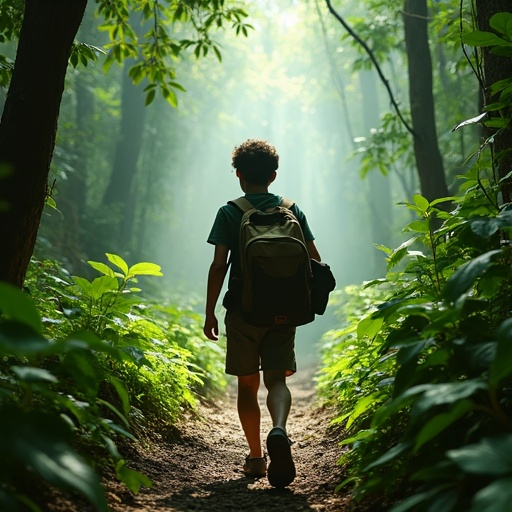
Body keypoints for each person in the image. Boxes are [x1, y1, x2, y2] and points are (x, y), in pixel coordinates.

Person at [203, 139, 321, 488]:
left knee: (247, 385)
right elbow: (314, 261)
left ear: (239, 174)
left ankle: (256, 458)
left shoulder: (229, 211)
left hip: (244, 312)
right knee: (277, 381)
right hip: (284, 311)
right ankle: (280, 430)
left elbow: (218, 266)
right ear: (273, 174)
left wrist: (210, 312)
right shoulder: (291, 210)